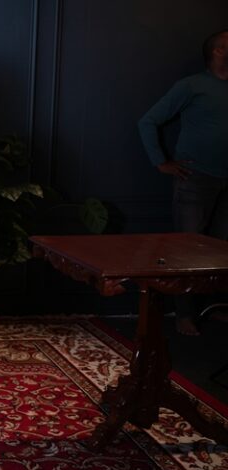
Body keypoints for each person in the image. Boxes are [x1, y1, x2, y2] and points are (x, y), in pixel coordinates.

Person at [138, 29, 228, 336]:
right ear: (218, 51)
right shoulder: (192, 85)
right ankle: (184, 315)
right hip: (195, 179)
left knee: (220, 249)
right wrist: (160, 162)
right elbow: (147, 121)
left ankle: (213, 307)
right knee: (187, 249)